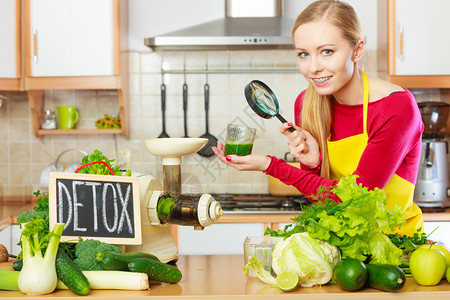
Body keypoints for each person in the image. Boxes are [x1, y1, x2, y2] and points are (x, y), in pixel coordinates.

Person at [212, 0, 424, 235]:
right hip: (343, 249)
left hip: (398, 252)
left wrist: (270, 165)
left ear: (358, 49)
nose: (313, 67)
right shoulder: (306, 103)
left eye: (327, 52)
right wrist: (312, 164)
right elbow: (324, 201)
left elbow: (353, 199)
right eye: (303, 54)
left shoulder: (396, 107)